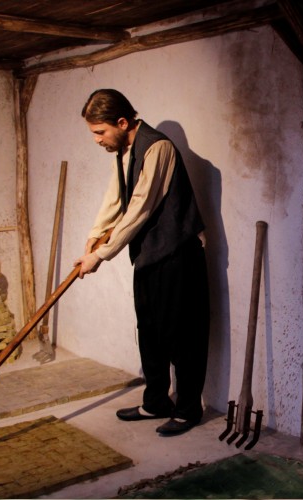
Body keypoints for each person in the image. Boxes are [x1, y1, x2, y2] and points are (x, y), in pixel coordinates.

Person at [75, 89, 209, 437]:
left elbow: (140, 207)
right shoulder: (123, 151)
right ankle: (156, 402)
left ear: (123, 122)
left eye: (100, 132)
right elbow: (115, 199)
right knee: (149, 333)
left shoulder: (157, 147)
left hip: (177, 255)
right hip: (149, 257)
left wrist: (101, 255)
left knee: (182, 336)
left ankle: (187, 409)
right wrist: (94, 236)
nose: (97, 140)